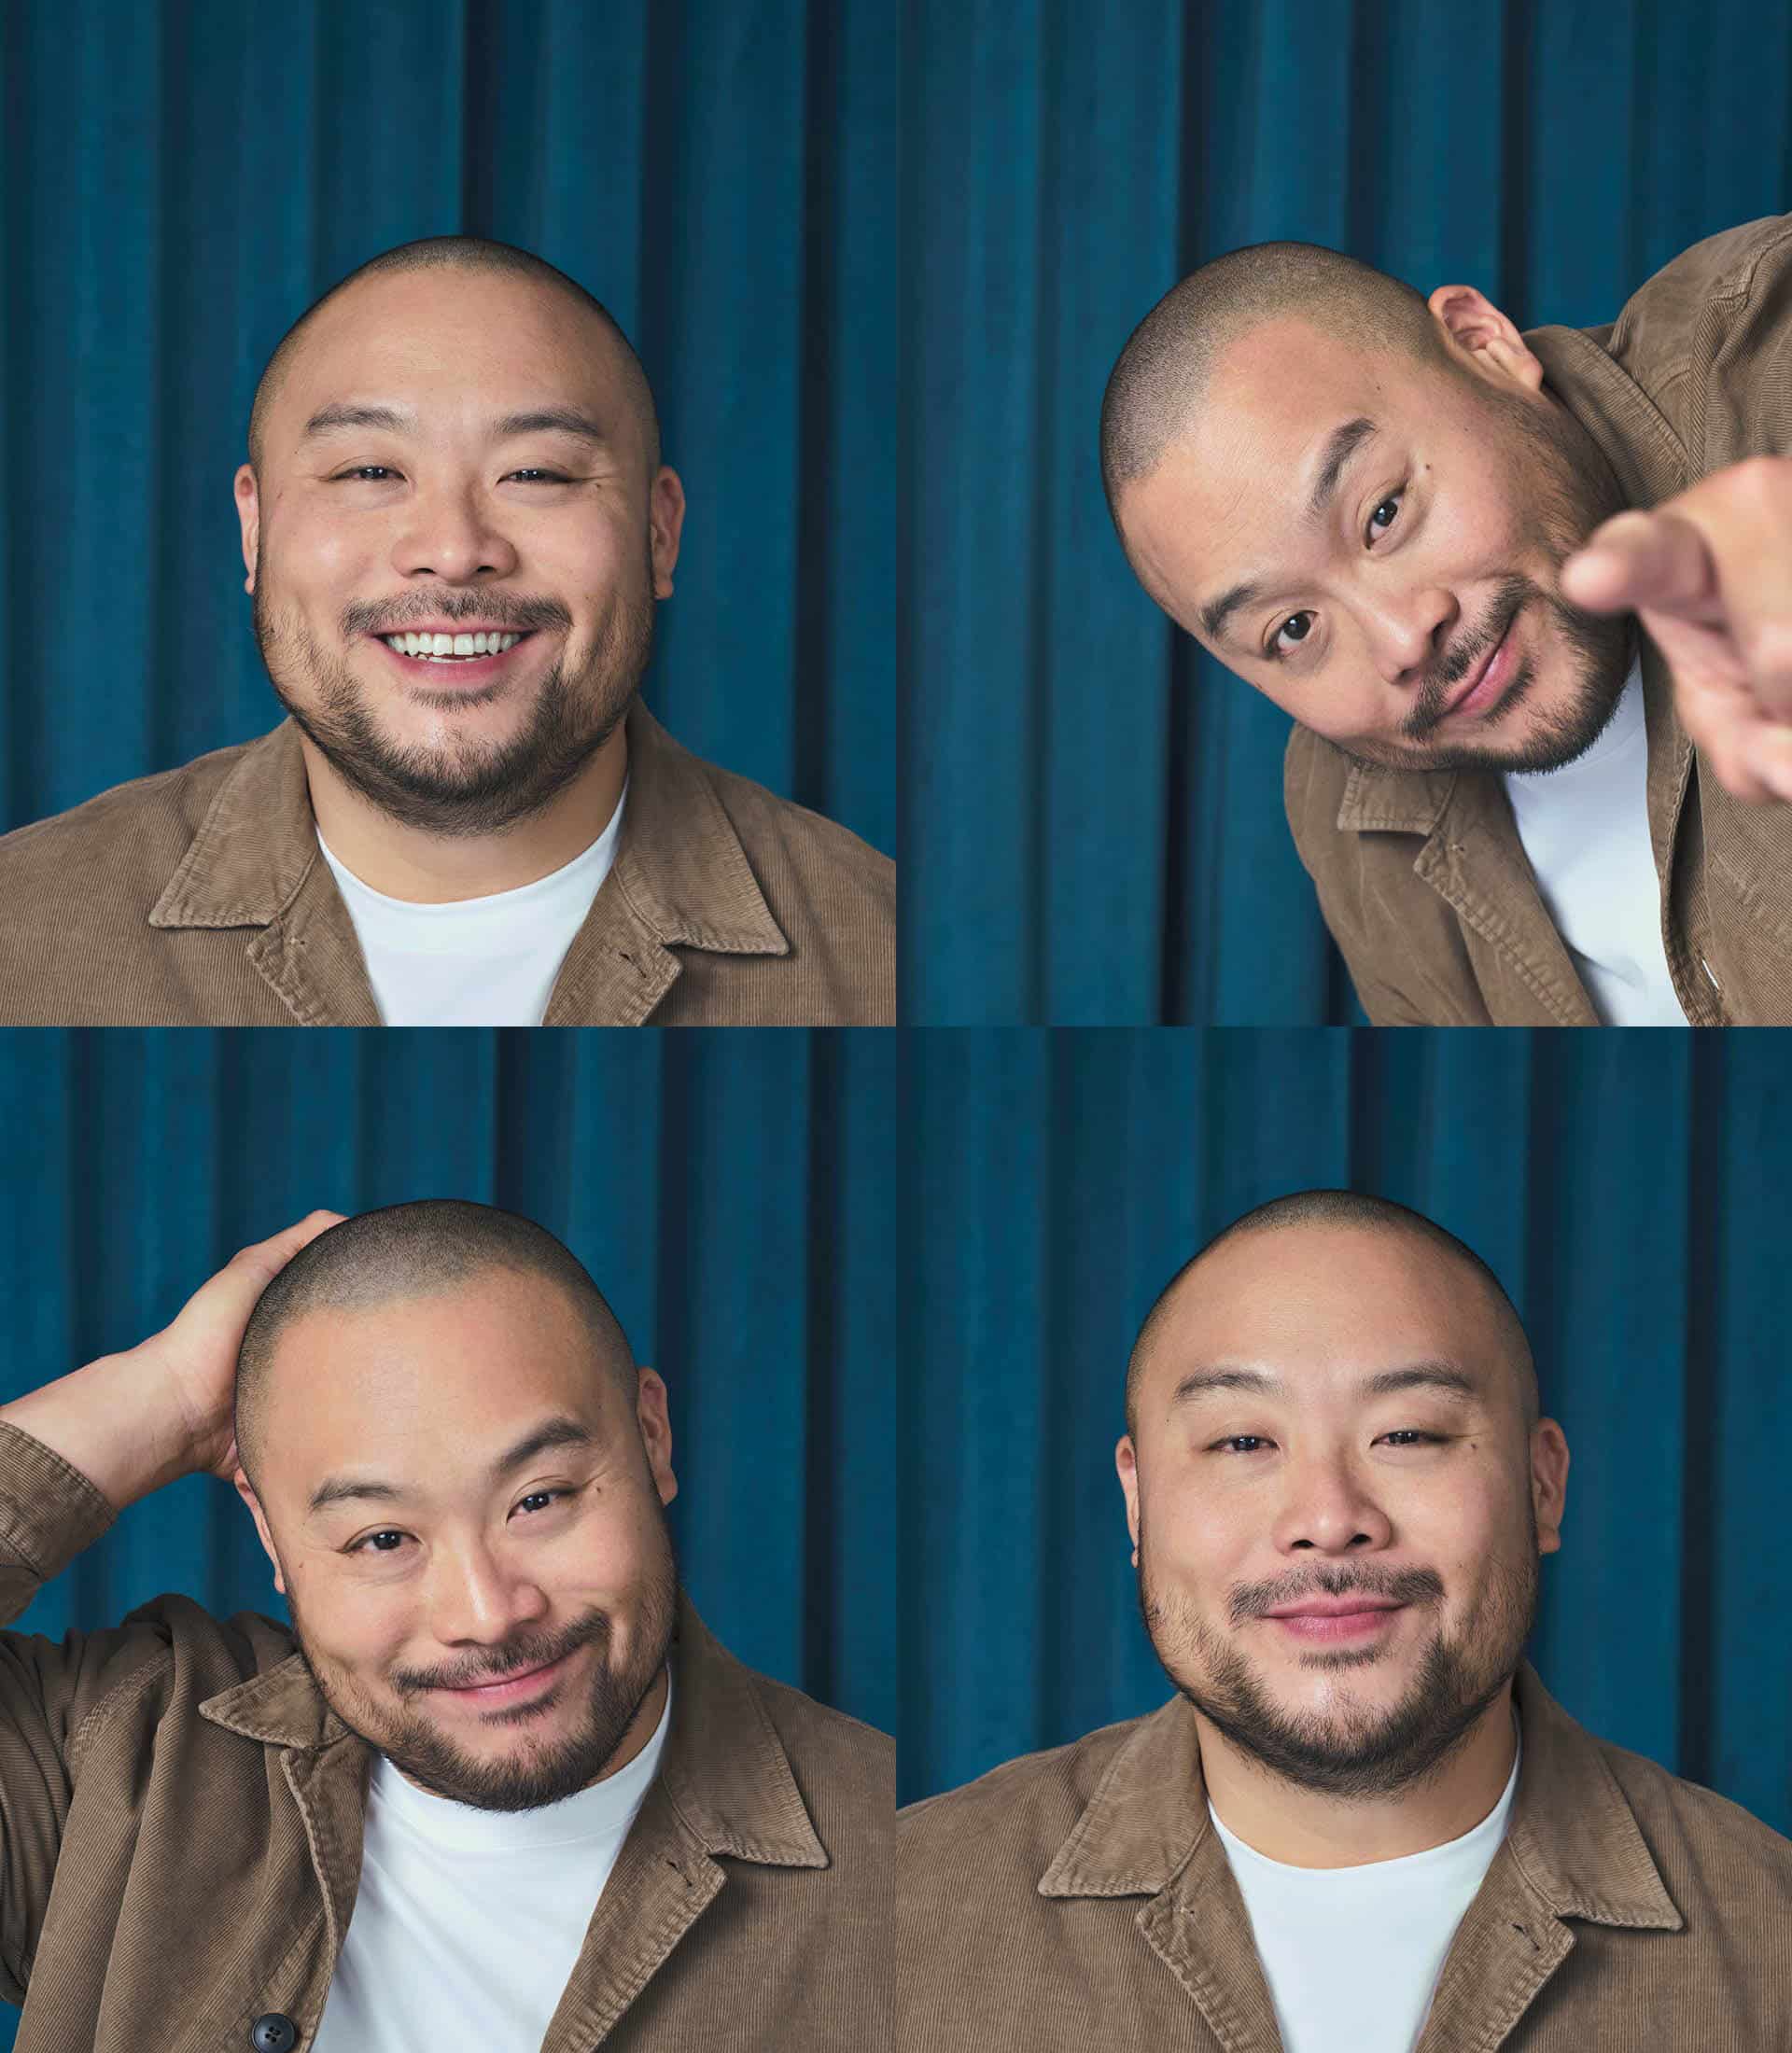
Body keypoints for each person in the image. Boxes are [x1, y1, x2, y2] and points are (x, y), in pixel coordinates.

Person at [898, 1191, 1792, 2051]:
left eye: (1408, 1436)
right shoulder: (895, 1920)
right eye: (1243, 1442)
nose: (1328, 1519)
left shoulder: (1769, 1943)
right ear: (1137, 1505)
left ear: (1542, 1484)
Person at [0, 1202, 889, 2050]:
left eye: (539, 1500)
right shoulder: (121, 1767)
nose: (487, 1614)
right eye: (383, 1538)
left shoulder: (907, 1857)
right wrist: (163, 1396)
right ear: (272, 1536)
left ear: (652, 1439)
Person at [0, 238, 894, 1026]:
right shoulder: (24, 930)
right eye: (369, 469)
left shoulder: (886, 951)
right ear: (255, 529)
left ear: (660, 533)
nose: (455, 550)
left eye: (536, 471)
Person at [1101, 216, 1792, 1026]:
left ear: (1485, 344)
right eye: (1292, 630)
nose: (1401, 640)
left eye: (1384, 513)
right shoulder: (1345, 813)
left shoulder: (1764, 351)